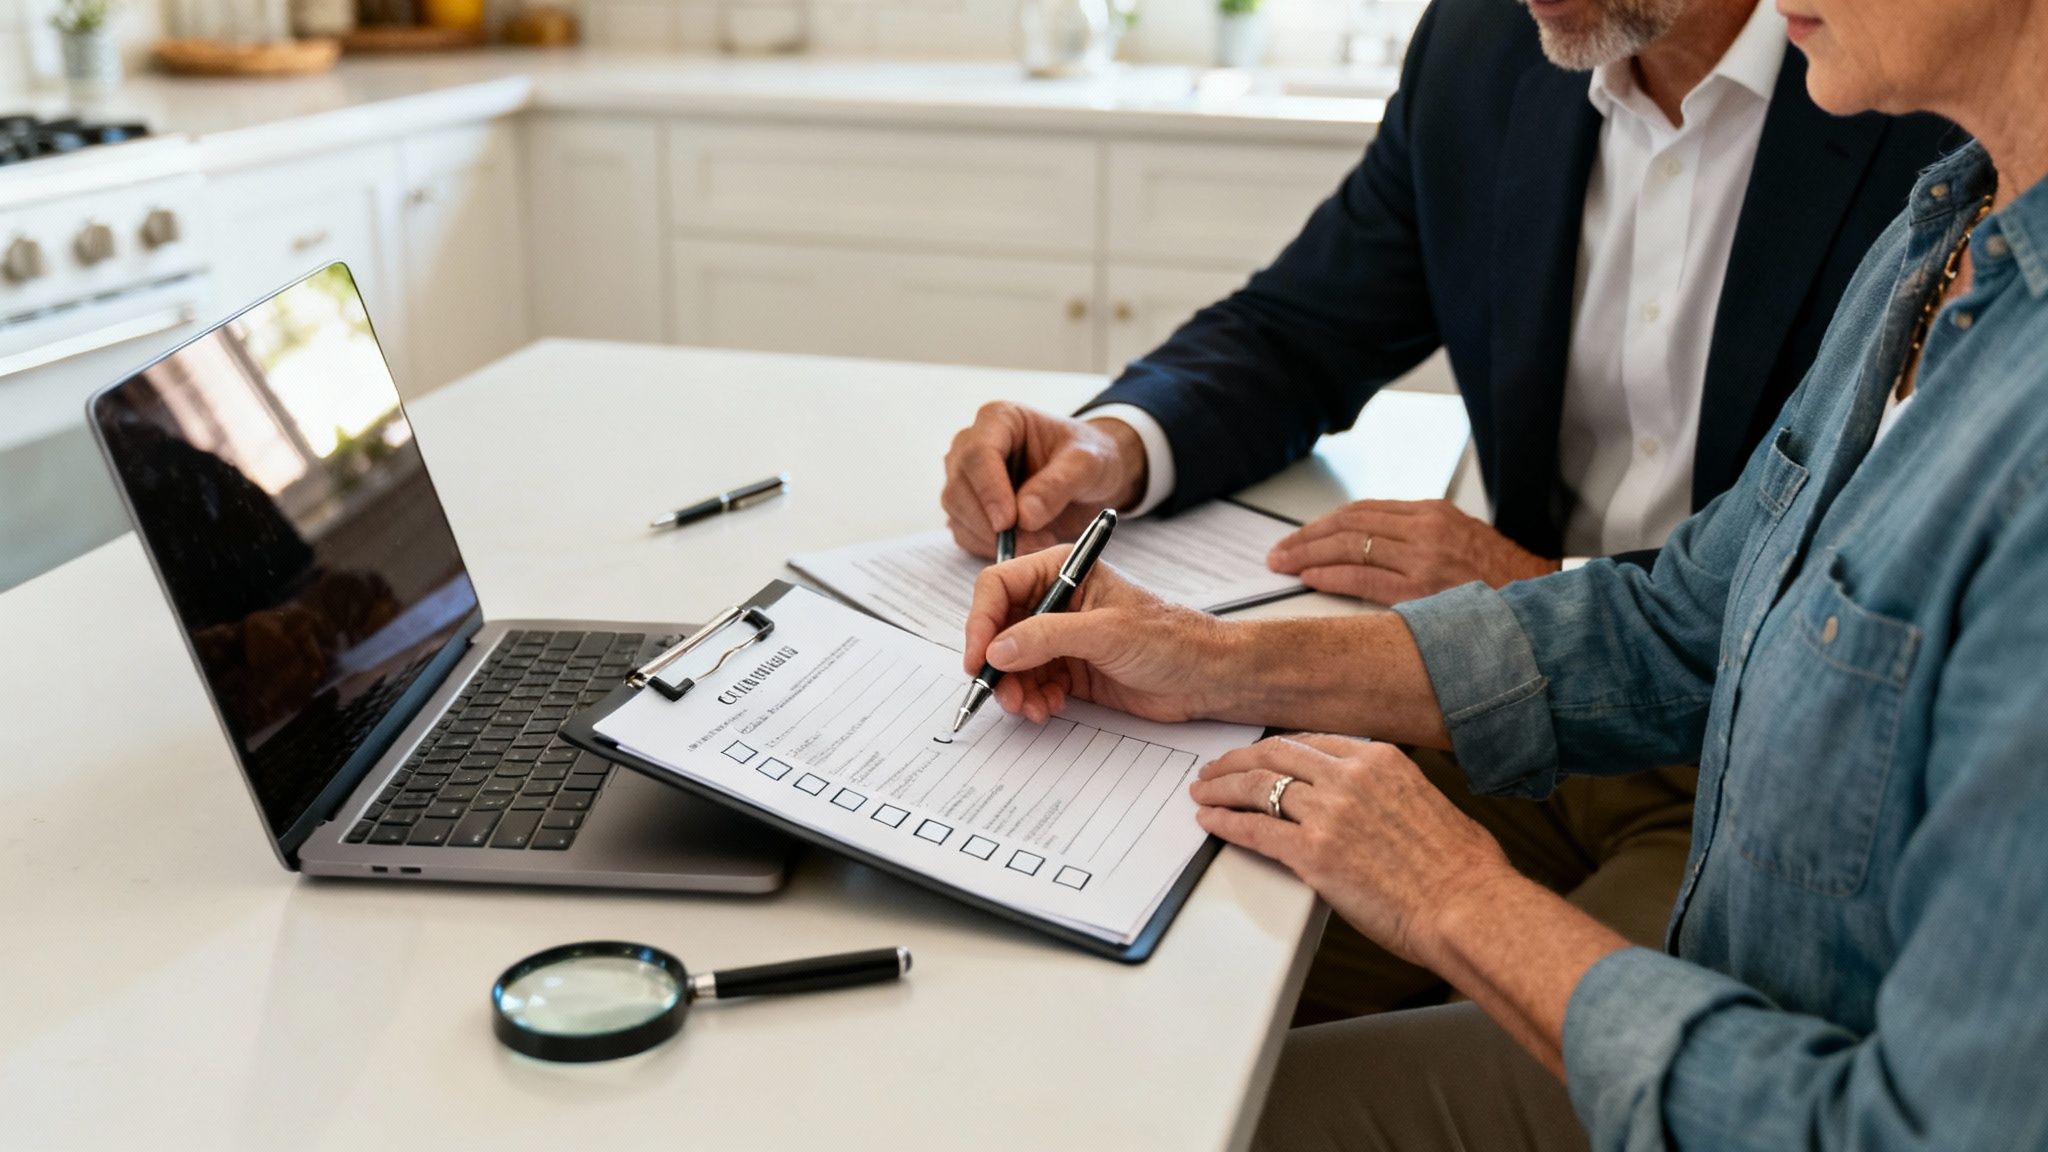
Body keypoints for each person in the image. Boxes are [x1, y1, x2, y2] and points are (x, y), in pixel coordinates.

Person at [962, 0, 2048, 1141]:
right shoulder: (1948, 224)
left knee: (1203, 1118)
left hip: (1765, 1024)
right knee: (1121, 1022)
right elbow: (1684, 624)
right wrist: (1211, 658)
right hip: (1691, 858)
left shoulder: (1906, 167)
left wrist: (1455, 905)